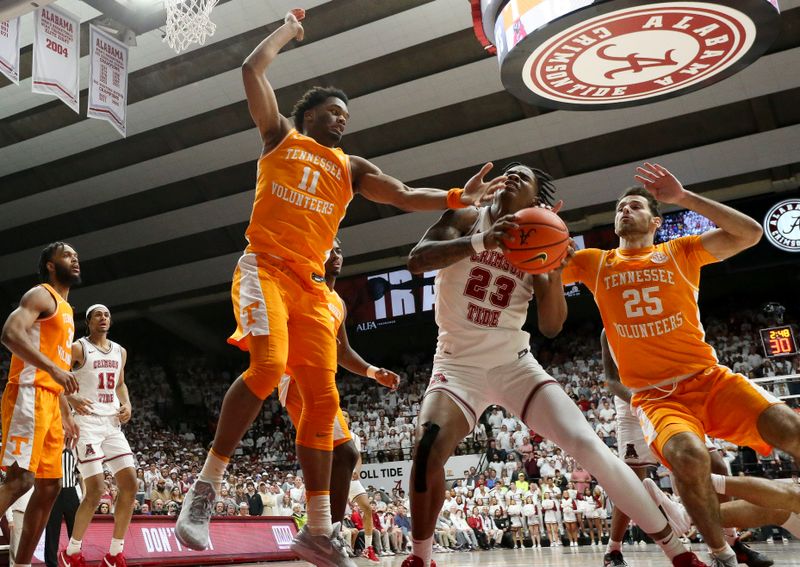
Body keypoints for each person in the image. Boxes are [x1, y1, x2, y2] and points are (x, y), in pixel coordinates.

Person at [175, 9, 505, 566]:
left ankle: (318, 529)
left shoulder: (350, 167)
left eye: (346, 115)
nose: (341, 121)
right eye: (332, 112)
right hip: (264, 267)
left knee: (324, 400)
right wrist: (286, 31)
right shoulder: (280, 136)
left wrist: (457, 198)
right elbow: (251, 72)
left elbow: (402, 194)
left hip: (309, 286)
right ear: (308, 114)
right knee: (263, 367)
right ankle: (204, 489)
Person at [401, 164, 704, 567]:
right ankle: (421, 557)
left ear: (539, 201)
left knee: (590, 447)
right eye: (510, 171)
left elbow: (551, 325)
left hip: (515, 363)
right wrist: (482, 242)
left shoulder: (545, 239)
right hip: (457, 365)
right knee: (426, 450)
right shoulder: (466, 216)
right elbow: (417, 261)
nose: (511, 175)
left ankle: (677, 552)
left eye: (522, 176)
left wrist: (553, 270)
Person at [561, 162, 800, 566]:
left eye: (635, 205)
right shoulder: (593, 262)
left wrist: (684, 198)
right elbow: (538, 273)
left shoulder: (680, 251)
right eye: (620, 207)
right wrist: (542, 237)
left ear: (655, 220)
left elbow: (751, 233)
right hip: (656, 396)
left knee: (791, 429)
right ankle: (722, 554)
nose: (625, 211)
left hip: (710, 379)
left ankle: (712, 523)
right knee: (690, 457)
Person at [601, 329, 782, 567]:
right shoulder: (609, 330)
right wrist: (640, 402)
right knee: (631, 482)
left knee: (716, 463)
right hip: (632, 403)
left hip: (669, 395)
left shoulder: (658, 315)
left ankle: (731, 542)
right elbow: (612, 381)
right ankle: (613, 550)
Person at [276, 240, 400, 563]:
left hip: (322, 380)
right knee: (344, 452)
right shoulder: (302, 288)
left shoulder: (338, 302)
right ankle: (323, 533)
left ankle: (321, 535)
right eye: (329, 249)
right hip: (298, 376)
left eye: (340, 249)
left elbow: (343, 351)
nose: (337, 254)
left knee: (342, 457)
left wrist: (373, 372)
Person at [0, 242, 81, 567]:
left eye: (76, 256)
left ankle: (21, 565)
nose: (74, 259)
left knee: (49, 488)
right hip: (28, 393)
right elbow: (9, 333)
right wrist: (52, 369)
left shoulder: (67, 309)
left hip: (49, 402)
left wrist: (66, 414)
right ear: (50, 264)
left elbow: (57, 366)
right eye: (66, 255)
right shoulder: (41, 295)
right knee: (20, 480)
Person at [59, 304, 136, 567]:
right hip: (87, 423)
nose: (103, 318)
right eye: (97, 315)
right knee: (96, 490)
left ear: (110, 321)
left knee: (131, 484)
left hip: (112, 423)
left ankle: (114, 553)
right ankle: (71, 552)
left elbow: (120, 383)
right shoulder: (78, 348)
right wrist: (70, 398)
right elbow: (55, 378)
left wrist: (127, 404)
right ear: (89, 322)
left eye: (107, 315)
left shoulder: (120, 351)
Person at [44, 447, 80, 567]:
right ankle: (51, 564)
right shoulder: (50, 448)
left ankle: (75, 559)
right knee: (52, 531)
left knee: (75, 530)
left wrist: (84, 494)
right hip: (54, 491)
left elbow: (80, 475)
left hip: (71, 491)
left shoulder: (75, 450)